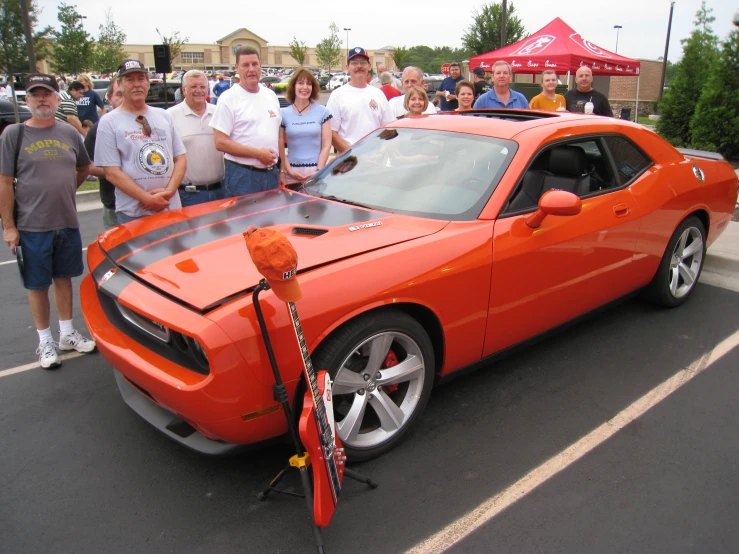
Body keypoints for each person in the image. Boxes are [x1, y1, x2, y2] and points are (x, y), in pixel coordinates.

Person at [0, 73, 95, 370]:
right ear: (26, 100)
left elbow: (83, 168)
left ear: (57, 98)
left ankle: (67, 333)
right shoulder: (13, 135)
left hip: (66, 221)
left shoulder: (69, 133)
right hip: (31, 225)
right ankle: (45, 341)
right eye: (35, 94)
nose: (42, 99)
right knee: (37, 285)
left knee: (64, 278)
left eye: (47, 94)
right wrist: (9, 226)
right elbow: (4, 182)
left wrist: (65, 191)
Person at [94, 59, 187, 225]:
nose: (136, 84)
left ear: (148, 83)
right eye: (129, 80)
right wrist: (147, 199)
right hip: (134, 213)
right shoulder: (109, 122)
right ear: (120, 84)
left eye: (141, 79)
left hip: (169, 207)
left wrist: (169, 191)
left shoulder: (164, 116)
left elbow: (180, 158)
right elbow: (111, 172)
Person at [210, 46, 281, 197]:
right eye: (245, 65)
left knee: (272, 220)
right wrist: (257, 154)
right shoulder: (228, 98)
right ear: (237, 68)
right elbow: (220, 142)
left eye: (255, 64)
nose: (251, 69)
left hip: (271, 174)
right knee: (242, 221)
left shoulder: (270, 96)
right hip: (242, 176)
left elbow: (278, 133)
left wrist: (281, 170)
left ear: (261, 65)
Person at [168, 70, 225, 206]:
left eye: (202, 87)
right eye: (193, 87)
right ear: (184, 90)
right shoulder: (170, 116)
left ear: (208, 89)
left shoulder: (219, 113)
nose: (198, 91)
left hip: (221, 192)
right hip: (188, 196)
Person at [326, 47, 394, 153]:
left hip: (376, 159)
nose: (359, 66)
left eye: (363, 62)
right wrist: (352, 155)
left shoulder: (378, 94)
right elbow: (331, 132)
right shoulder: (337, 95)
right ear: (347, 67)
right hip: (348, 163)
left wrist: (381, 152)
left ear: (369, 66)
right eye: (354, 63)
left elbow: (388, 127)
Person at [278, 68, 332, 186]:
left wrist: (318, 171)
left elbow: (327, 145)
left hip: (315, 175)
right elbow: (280, 145)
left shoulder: (322, 112)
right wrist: (287, 171)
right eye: (300, 83)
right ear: (293, 86)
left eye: (309, 84)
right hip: (291, 174)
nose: (305, 87)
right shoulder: (282, 113)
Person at [84, 79, 124, 229]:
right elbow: (88, 166)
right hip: (114, 205)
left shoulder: (145, 124)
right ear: (110, 98)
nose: (124, 99)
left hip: (147, 205)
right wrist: (118, 173)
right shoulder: (99, 128)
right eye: (119, 94)